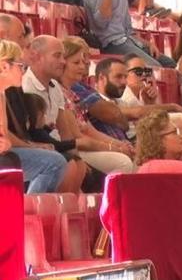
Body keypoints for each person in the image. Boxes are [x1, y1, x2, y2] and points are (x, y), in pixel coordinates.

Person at [57, 36, 136, 174]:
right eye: (76, 63)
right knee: (123, 162)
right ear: (63, 64)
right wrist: (115, 148)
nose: (83, 66)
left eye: (84, 61)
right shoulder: (59, 93)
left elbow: (89, 130)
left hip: (86, 144)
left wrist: (120, 143)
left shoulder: (72, 94)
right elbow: (79, 138)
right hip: (73, 148)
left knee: (133, 157)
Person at [0, 39, 68, 192]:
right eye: (21, 66)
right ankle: (27, 211)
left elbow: (4, 138)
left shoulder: (2, 94)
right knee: (54, 163)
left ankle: (27, 209)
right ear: (4, 66)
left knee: (55, 161)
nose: (24, 71)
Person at [82, 0, 174, 67]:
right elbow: (100, 24)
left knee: (170, 64)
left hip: (127, 41)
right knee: (154, 67)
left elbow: (129, 30)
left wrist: (147, 44)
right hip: (109, 44)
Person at [22, 92, 88, 191]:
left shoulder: (39, 131)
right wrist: (76, 142)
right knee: (68, 163)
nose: (45, 118)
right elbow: (55, 145)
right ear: (38, 116)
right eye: (43, 115)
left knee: (77, 163)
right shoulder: (37, 132)